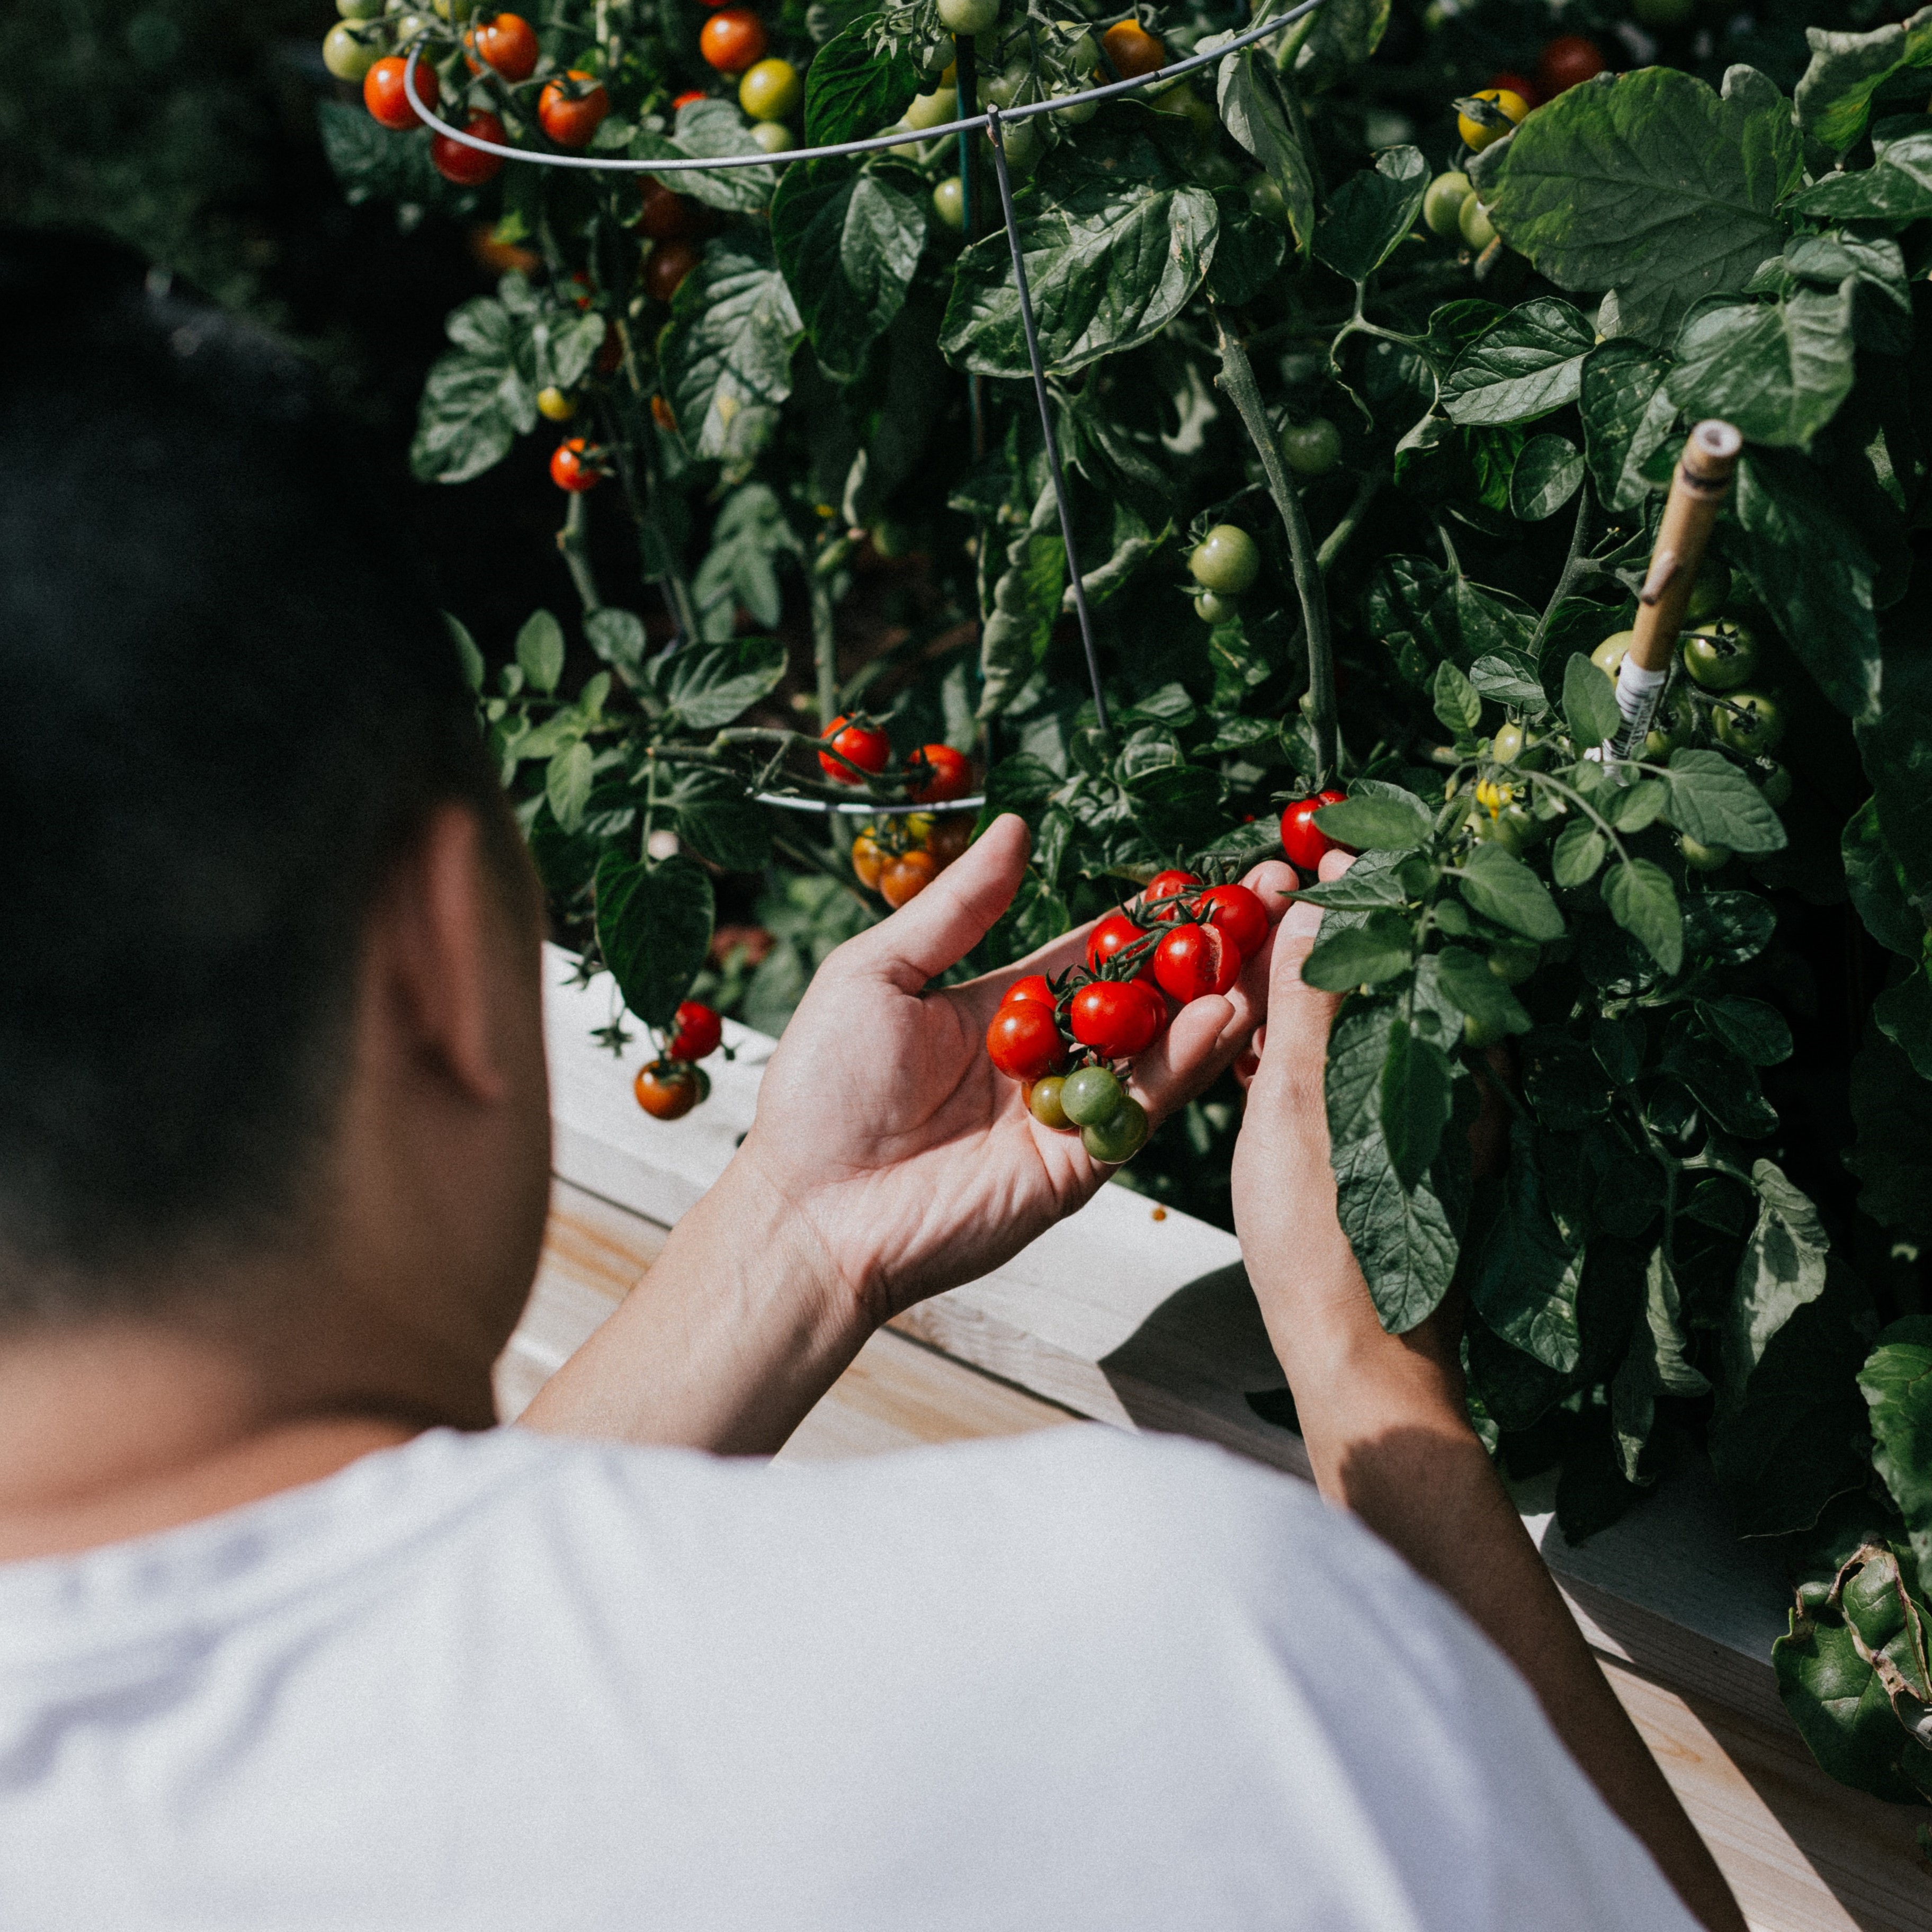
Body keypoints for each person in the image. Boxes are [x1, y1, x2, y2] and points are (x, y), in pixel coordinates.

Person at [0, 232, 1743, 1932]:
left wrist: (798, 1230)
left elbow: (346, 1661)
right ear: (447, 959)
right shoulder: (1164, 1659)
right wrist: (1375, 1395)